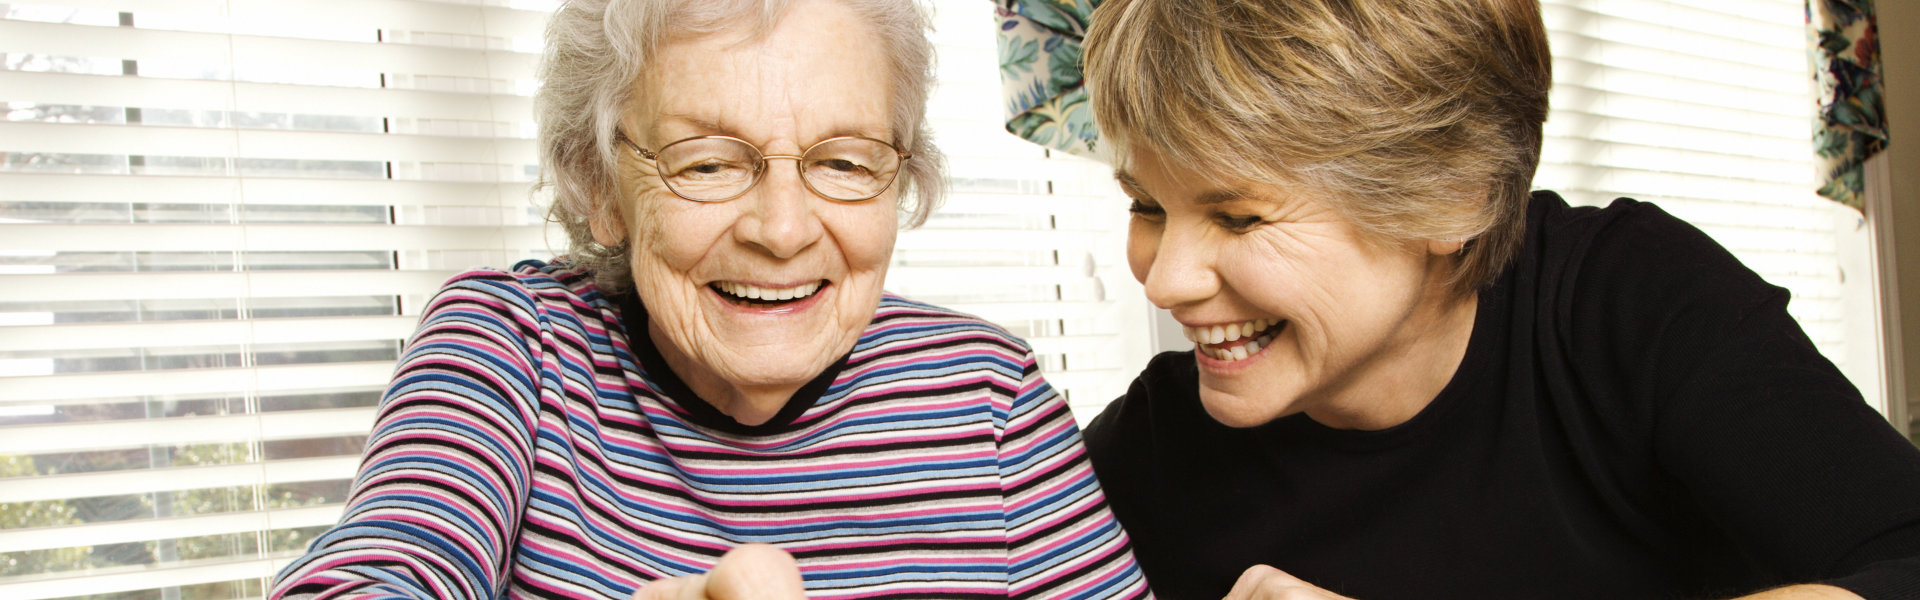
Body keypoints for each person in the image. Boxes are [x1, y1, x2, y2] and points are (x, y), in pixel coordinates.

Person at [269, 0, 1151, 598]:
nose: (781, 228)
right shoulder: (514, 348)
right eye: (706, 163)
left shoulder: (986, 395)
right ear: (601, 187)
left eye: (843, 161)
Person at [1074, 0, 1920, 598]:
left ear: (1452, 197)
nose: (1167, 277)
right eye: (1147, 205)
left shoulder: (1628, 301)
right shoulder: (1143, 453)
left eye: (1239, 215)